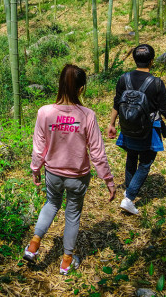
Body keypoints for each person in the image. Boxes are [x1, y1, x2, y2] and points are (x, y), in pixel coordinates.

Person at [23, 64, 116, 275]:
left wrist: (35, 169)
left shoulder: (44, 112)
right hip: (78, 176)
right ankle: (66, 261)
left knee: (51, 204)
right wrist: (108, 181)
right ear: (81, 89)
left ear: (60, 84)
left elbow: (39, 147)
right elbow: (97, 152)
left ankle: (33, 245)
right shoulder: (87, 115)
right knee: (72, 215)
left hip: (53, 173)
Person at [106, 44, 166, 215]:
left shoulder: (124, 78)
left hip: (128, 125)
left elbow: (117, 102)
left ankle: (128, 190)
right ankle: (129, 197)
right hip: (149, 128)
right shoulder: (156, 83)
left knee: (132, 156)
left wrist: (111, 124)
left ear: (134, 59)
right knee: (146, 161)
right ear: (152, 61)